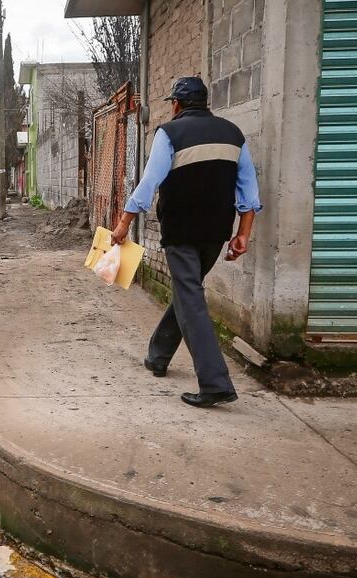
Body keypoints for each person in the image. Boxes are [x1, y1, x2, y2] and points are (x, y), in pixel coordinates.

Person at [111, 76, 261, 408]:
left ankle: (214, 382)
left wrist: (123, 224)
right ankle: (158, 355)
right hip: (217, 233)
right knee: (187, 291)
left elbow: (149, 183)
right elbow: (249, 190)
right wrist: (243, 235)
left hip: (181, 232)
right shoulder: (233, 134)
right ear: (206, 103)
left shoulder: (170, 134)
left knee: (190, 298)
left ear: (176, 105)